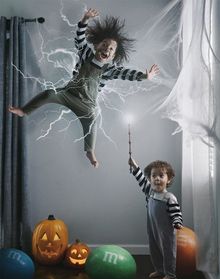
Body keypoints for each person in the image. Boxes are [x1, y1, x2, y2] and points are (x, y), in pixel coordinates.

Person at [9, 8, 159, 168]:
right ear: (96, 45)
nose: (106, 50)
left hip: (86, 105)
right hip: (68, 93)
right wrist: (85, 19)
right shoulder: (86, 53)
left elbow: (126, 74)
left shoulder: (109, 69)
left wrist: (145, 76)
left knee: (91, 123)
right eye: (104, 45)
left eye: (111, 49)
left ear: (113, 56)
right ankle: (24, 110)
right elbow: (79, 39)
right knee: (49, 93)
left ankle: (89, 151)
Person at [129, 157, 183, 279]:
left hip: (166, 232)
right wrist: (134, 165)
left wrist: (177, 222)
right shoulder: (150, 192)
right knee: (154, 250)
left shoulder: (169, 197)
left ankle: (170, 274)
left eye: (161, 175)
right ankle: (160, 269)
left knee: (167, 252)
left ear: (168, 179)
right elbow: (140, 179)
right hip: (152, 228)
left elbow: (176, 213)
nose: (157, 178)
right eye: (154, 176)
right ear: (150, 179)